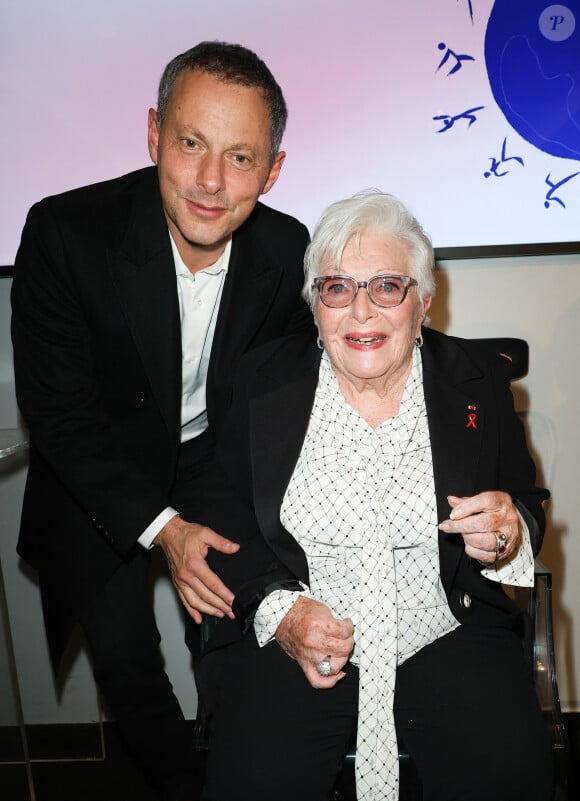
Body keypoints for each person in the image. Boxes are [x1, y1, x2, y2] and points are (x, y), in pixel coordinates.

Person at [11, 41, 314, 801]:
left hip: (215, 460)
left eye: (241, 158)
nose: (212, 183)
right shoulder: (64, 233)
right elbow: (59, 418)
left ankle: (234, 764)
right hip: (97, 466)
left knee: (236, 621)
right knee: (124, 655)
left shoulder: (287, 249)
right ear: (153, 135)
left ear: (272, 171)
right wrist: (166, 529)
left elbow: (279, 400)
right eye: (190, 144)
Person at [194, 192, 554, 801]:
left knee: (510, 780)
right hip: (301, 634)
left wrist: (509, 529)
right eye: (337, 287)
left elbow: (524, 502)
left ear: (424, 303)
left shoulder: (476, 380)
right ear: (314, 306)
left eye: (388, 286)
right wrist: (281, 613)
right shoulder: (261, 379)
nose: (361, 311)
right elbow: (223, 507)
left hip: (446, 627)